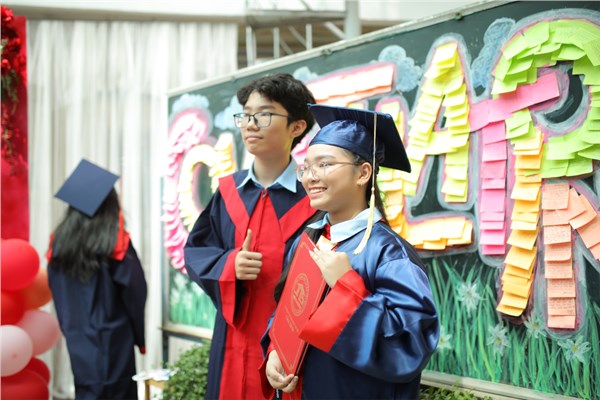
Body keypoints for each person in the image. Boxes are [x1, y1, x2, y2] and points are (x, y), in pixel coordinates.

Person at [262, 104, 440, 399]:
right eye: (306, 167)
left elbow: (410, 345)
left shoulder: (388, 253)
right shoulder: (309, 239)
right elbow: (286, 310)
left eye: (325, 164)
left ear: (363, 173)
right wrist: (275, 350)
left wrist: (346, 286)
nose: (310, 177)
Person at [184, 73, 318, 400]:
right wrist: (229, 264)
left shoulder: (314, 198)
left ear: (297, 127)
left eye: (264, 114)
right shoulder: (228, 192)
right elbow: (197, 251)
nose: (250, 124)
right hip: (233, 341)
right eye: (246, 114)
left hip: (289, 348)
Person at [47, 159, 147, 400]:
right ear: (110, 206)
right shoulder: (116, 243)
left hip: (78, 338)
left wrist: (70, 328)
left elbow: (58, 294)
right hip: (115, 340)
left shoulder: (59, 245)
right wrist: (139, 335)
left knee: (87, 390)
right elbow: (135, 293)